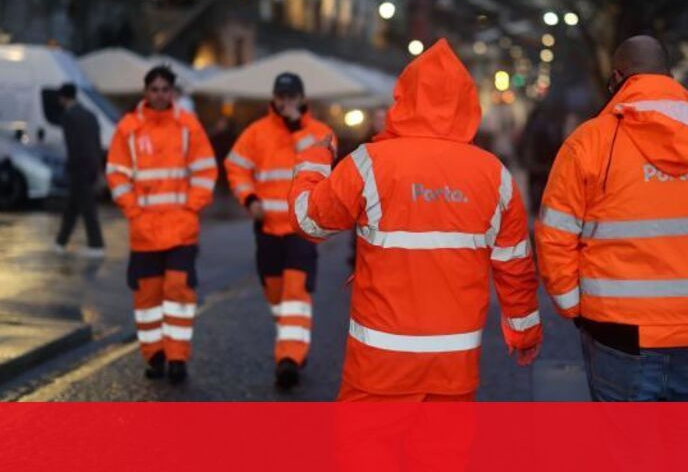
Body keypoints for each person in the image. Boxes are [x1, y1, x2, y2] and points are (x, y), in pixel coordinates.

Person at [289, 39, 542, 401]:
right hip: (454, 364)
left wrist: (313, 162)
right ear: (467, 104)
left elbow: (309, 221)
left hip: (378, 364)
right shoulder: (494, 175)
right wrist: (524, 331)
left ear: (404, 98)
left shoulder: (370, 163)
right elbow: (516, 265)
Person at [535, 36, 688, 402]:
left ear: (617, 78)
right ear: (669, 76)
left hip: (617, 332)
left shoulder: (590, 143)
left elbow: (555, 236)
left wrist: (575, 308)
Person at [105, 66, 218, 384]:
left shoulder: (188, 126)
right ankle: (154, 355)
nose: (159, 95)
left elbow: (206, 170)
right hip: (144, 231)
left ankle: (177, 356)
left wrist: (191, 207)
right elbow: (116, 174)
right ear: (146, 92)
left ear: (173, 92)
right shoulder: (129, 128)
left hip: (181, 229)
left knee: (179, 293)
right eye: (153, 89)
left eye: (164, 89)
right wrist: (133, 211)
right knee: (147, 299)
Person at [224, 72, 335, 390]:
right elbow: (235, 166)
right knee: (276, 295)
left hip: (301, 229)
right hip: (268, 228)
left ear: (302, 99)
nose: (285, 102)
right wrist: (249, 199)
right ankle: (292, 342)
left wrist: (296, 127)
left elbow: (321, 162)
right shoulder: (256, 132)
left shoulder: (320, 133)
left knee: (295, 294)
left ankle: (289, 358)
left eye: (291, 97)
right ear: (273, 98)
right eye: (280, 97)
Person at [54, 83, 105, 257]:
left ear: (62, 97)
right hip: (91, 164)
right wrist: (97, 164)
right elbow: (97, 142)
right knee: (73, 206)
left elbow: (72, 144)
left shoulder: (68, 116)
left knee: (86, 206)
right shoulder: (90, 114)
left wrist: (70, 165)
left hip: (79, 166)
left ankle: (96, 245)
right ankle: (61, 242)